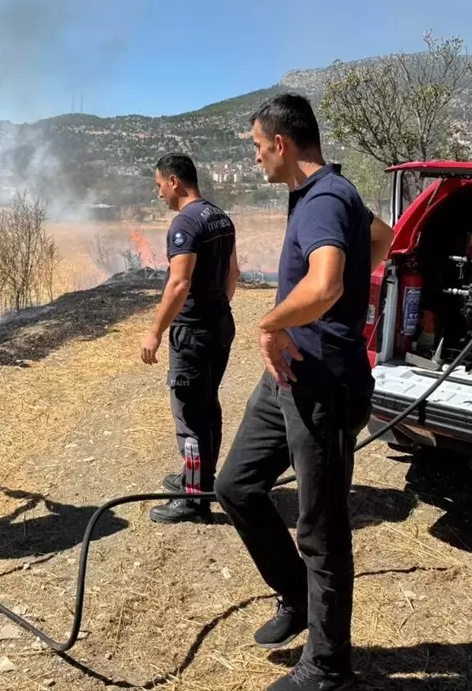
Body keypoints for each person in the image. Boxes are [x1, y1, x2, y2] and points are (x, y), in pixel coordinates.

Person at [213, 95, 394, 691]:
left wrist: (274, 324)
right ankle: (295, 596)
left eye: (259, 147)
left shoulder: (322, 200)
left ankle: (328, 668)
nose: (257, 158)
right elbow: (382, 237)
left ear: (282, 143)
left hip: (322, 386)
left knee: (320, 528)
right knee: (236, 484)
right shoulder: (331, 195)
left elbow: (324, 283)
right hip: (289, 376)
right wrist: (326, 317)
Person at [139, 153, 239, 524]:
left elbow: (179, 283)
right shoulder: (220, 217)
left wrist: (155, 331)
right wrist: (215, 310)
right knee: (207, 405)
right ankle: (198, 479)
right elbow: (233, 273)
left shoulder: (184, 224)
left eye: (160, 185)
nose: (160, 193)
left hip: (193, 333)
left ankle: (193, 500)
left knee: (190, 415)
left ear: (175, 181)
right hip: (219, 325)